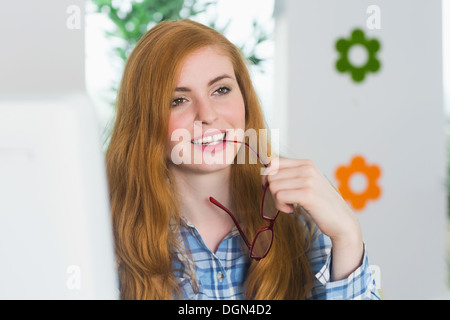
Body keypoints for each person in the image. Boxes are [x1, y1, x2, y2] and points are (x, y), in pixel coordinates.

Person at [105, 19, 380, 300]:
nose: (208, 115)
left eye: (221, 90)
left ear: (245, 98)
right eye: (178, 100)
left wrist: (347, 236)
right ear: (143, 121)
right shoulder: (106, 227)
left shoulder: (300, 215)